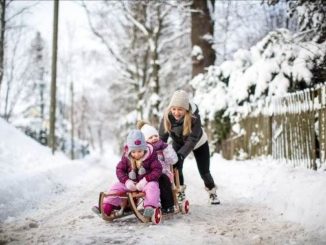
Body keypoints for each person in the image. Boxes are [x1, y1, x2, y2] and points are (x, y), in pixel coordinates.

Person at [159, 90, 220, 205]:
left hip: (199, 143)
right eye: (174, 109)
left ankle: (212, 191)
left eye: (180, 109)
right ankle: (180, 191)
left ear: (186, 109)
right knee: (176, 167)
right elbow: (162, 137)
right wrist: (157, 152)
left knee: (204, 171)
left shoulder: (194, 117)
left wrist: (181, 155)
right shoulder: (167, 116)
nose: (176, 112)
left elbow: (192, 140)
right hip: (178, 142)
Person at [93, 129, 162, 218]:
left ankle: (150, 207)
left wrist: (146, 180)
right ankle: (107, 206)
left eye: (139, 151)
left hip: (146, 183)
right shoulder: (126, 158)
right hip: (130, 183)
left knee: (153, 186)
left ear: (144, 149)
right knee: (116, 187)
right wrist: (126, 181)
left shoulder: (150, 157)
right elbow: (119, 170)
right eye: (133, 152)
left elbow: (157, 170)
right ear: (129, 151)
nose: (136, 154)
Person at [137, 120, 178, 214]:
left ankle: (168, 205)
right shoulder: (144, 151)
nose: (154, 138)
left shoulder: (164, 147)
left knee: (162, 180)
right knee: (146, 182)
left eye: (155, 136)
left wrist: (166, 150)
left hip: (163, 173)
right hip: (149, 175)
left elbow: (173, 160)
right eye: (150, 137)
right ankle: (149, 204)